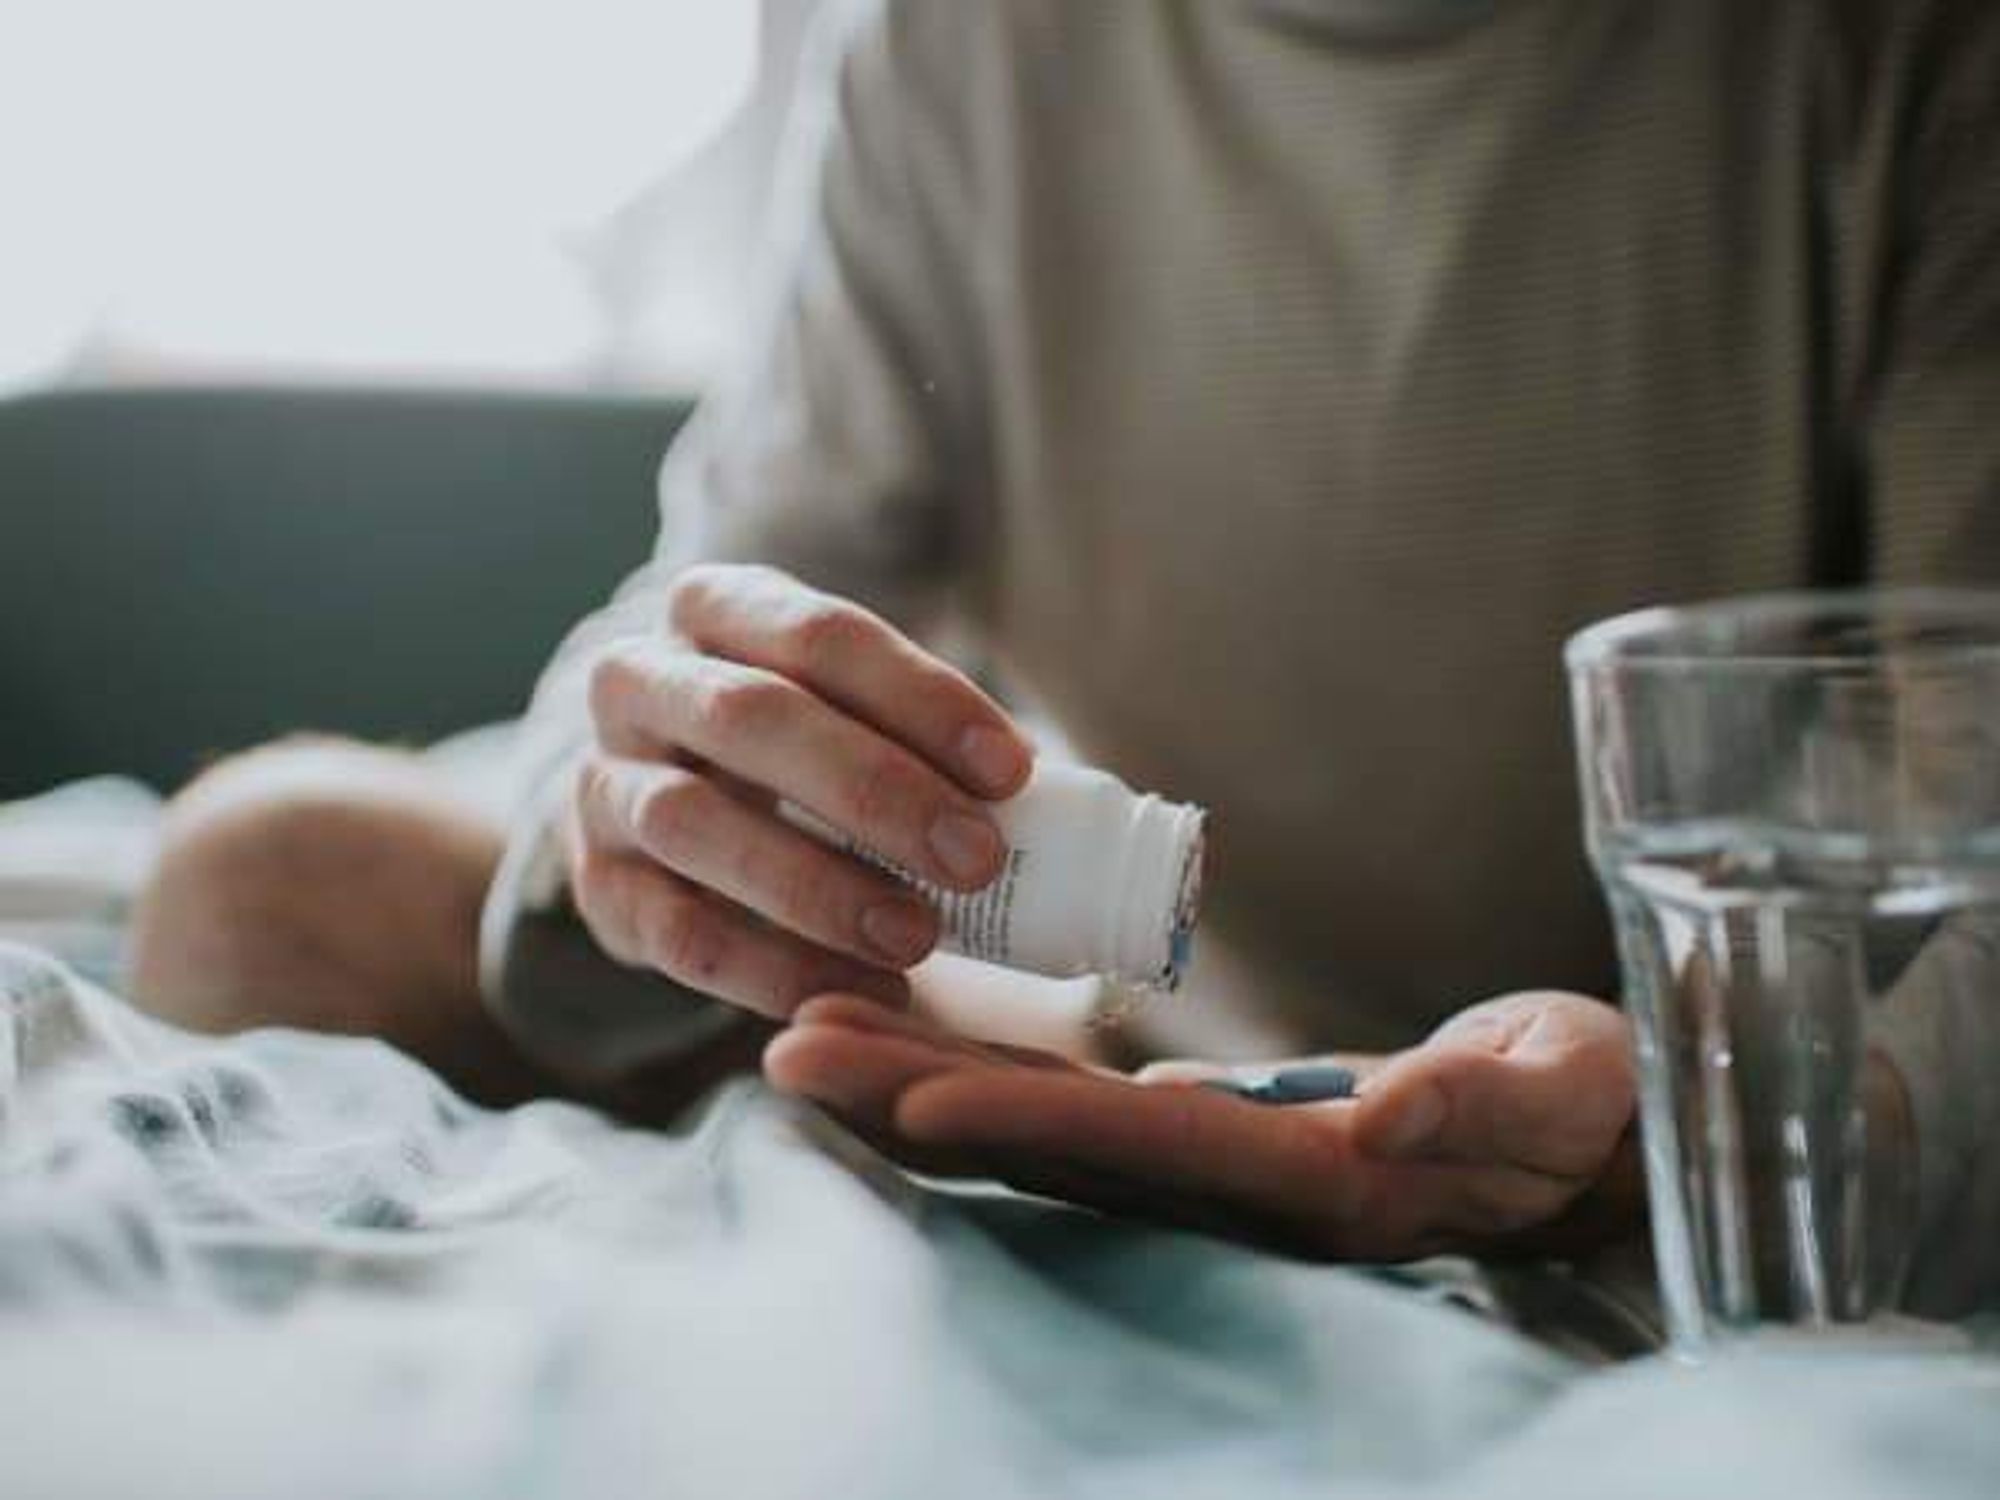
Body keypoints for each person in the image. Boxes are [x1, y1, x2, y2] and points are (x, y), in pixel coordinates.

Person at [129, 0, 1996, 1266]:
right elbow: (725, 599)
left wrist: (1712, 1123)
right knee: (258, 885)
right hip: (1083, 1027)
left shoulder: (1904, 62)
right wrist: (626, 824)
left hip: (1675, 1059)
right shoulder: (964, 38)